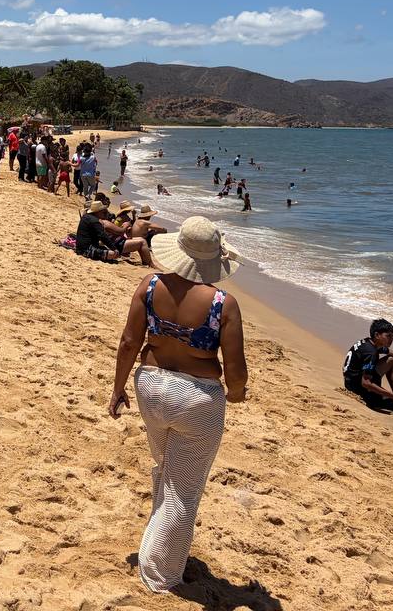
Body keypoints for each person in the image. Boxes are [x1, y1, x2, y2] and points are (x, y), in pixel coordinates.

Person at [108, 216, 247, 594]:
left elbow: (128, 343)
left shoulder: (150, 285)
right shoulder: (223, 303)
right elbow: (235, 369)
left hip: (151, 385)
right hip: (196, 397)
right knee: (185, 489)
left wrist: (118, 389)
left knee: (166, 468)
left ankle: (158, 538)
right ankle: (160, 574)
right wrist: (236, 394)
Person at [341, 319, 393, 414]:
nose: (391, 339)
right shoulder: (371, 352)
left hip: (351, 381)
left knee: (391, 360)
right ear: (377, 335)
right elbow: (366, 383)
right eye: (388, 336)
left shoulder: (369, 342)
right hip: (357, 390)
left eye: (392, 336)